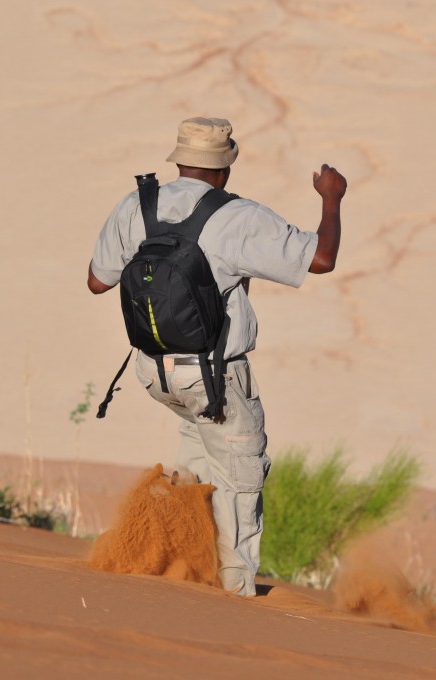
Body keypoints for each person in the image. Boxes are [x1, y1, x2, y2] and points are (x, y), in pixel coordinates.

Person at [87, 116, 346, 596]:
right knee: (240, 477)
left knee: (198, 454)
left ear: (179, 160)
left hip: (154, 371)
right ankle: (234, 589)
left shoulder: (137, 205)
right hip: (213, 376)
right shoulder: (238, 217)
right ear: (226, 167)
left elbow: (98, 281)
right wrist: (332, 198)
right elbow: (321, 258)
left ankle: (171, 552)